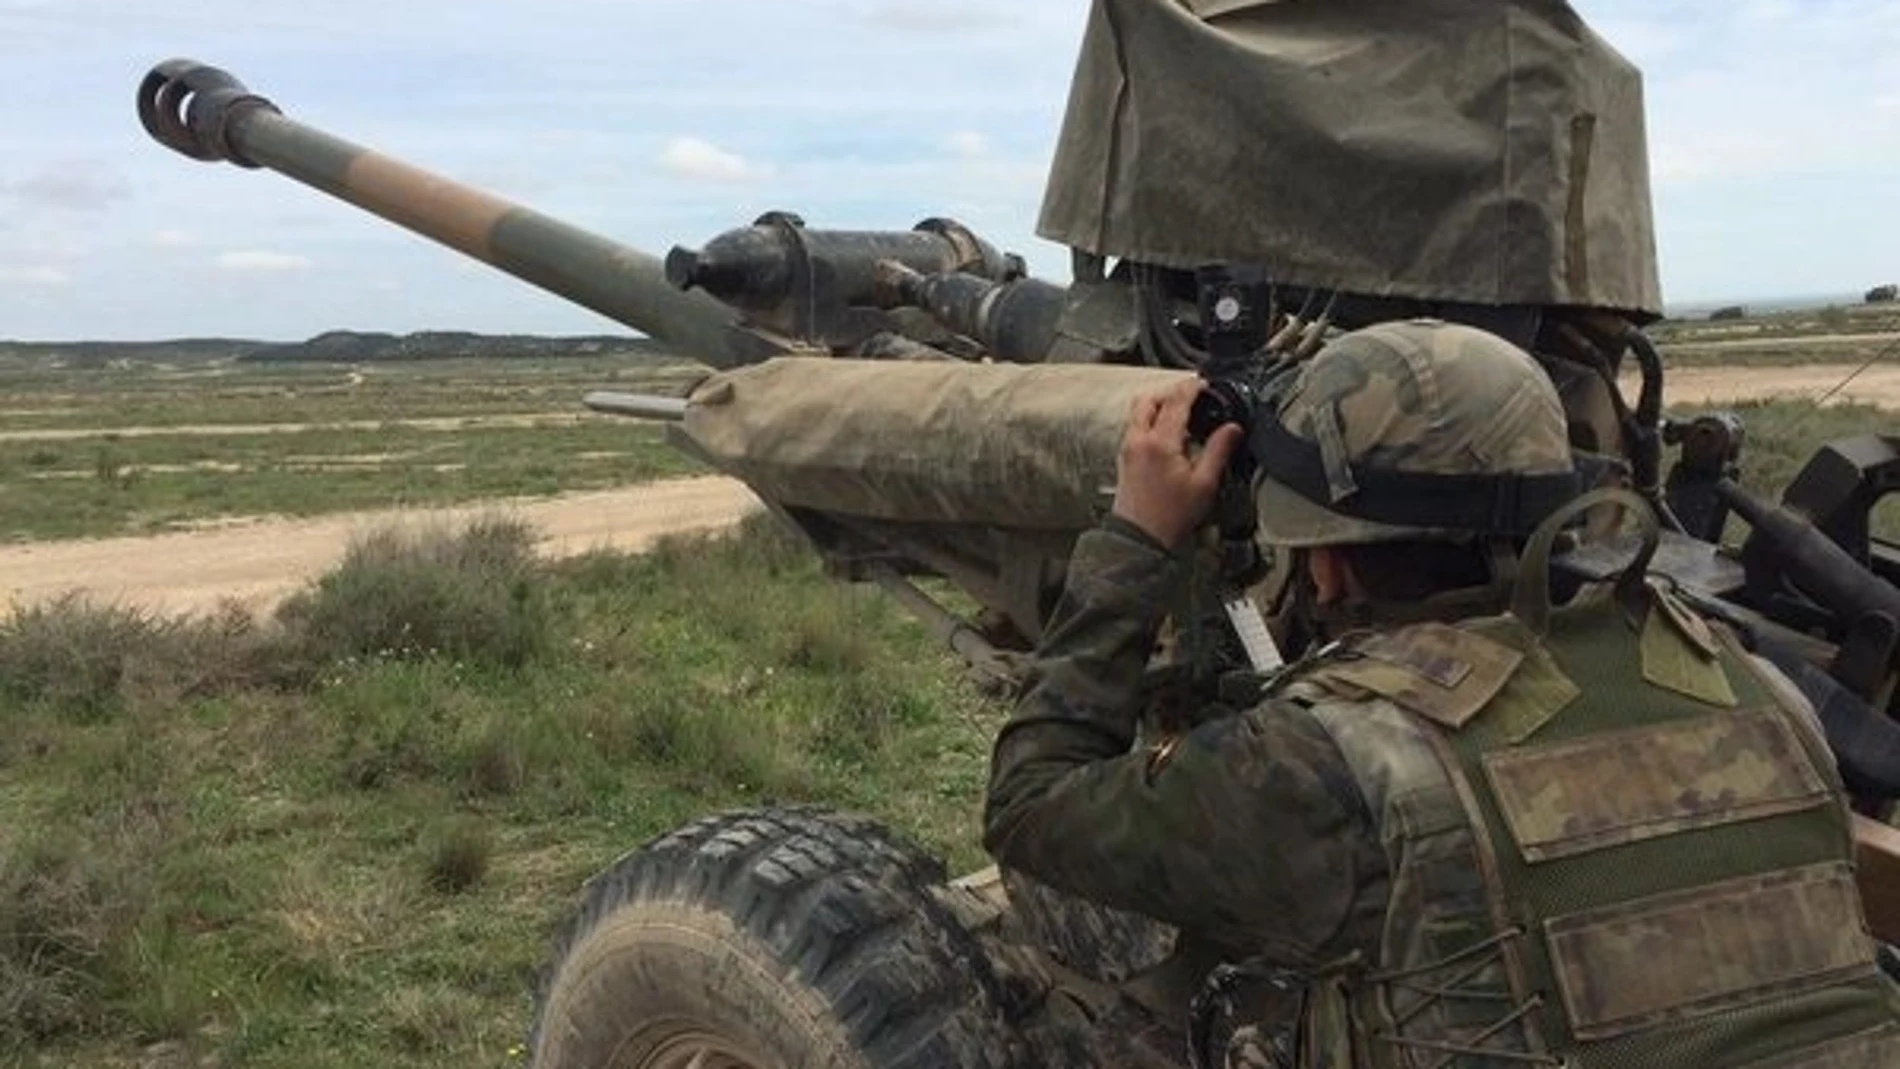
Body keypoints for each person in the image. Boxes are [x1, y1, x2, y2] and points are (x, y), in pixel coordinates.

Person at [983, 318, 1900, 1067]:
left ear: (1330, 565)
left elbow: (1030, 802)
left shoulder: (1338, 765)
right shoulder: (1758, 688)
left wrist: (1137, 539)